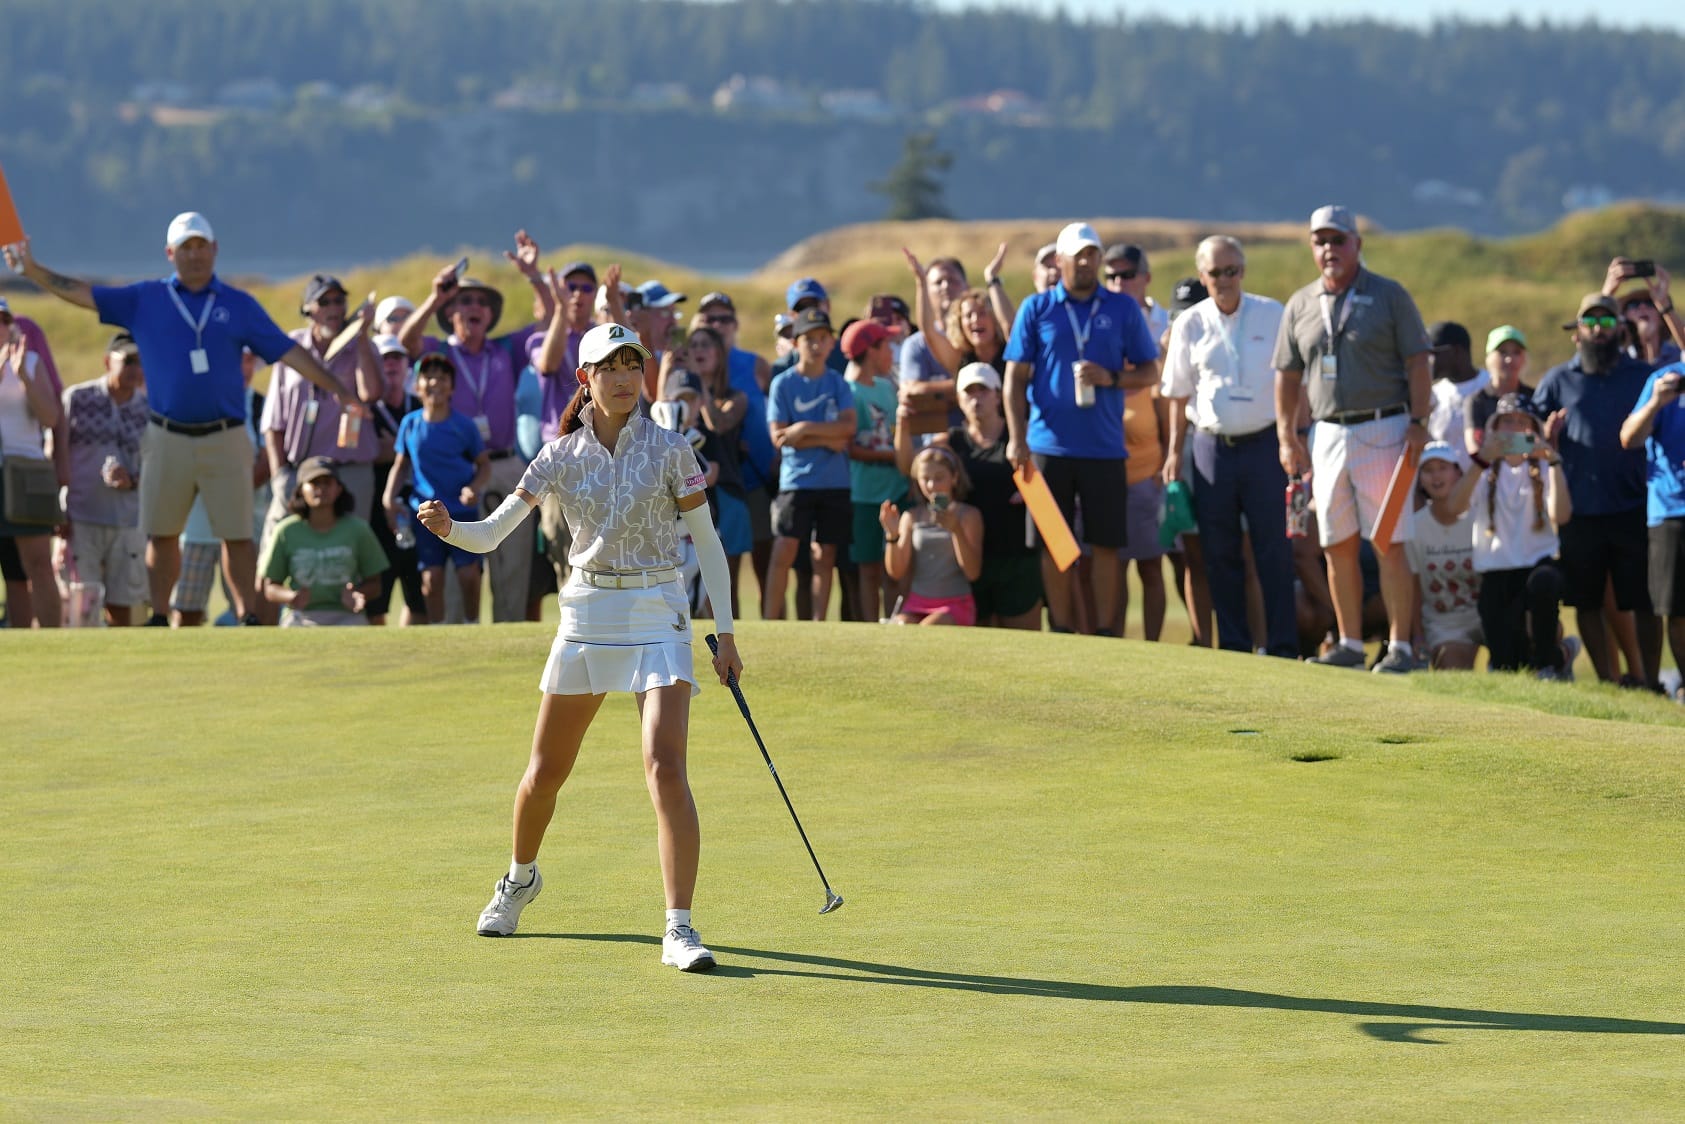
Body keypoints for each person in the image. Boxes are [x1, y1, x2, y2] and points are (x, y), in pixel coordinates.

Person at [432, 322, 740, 972]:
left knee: (665, 766)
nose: (625, 377)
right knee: (545, 772)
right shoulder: (557, 456)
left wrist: (729, 633)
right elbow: (490, 537)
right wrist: (448, 530)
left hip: (660, 608)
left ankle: (679, 928)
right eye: (610, 366)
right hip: (587, 610)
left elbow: (707, 545)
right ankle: (518, 880)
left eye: (634, 364)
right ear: (585, 378)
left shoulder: (670, 449)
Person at [5, 213, 359, 628]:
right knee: (163, 532)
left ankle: (247, 615)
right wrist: (31, 270)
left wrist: (338, 387)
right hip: (167, 433)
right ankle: (159, 614)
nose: (194, 255)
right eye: (185, 247)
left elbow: (288, 352)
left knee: (237, 534)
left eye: (200, 245)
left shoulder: (237, 304)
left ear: (214, 249)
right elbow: (84, 294)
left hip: (224, 435)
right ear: (170, 253)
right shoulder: (146, 298)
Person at [1273, 204, 1432, 673]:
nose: (1329, 250)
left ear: (1357, 245)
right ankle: (1348, 642)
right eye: (1321, 241)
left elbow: (1419, 361)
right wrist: (1288, 436)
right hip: (1326, 431)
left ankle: (1402, 647)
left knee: (1389, 540)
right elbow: (1286, 375)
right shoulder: (1300, 303)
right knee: (1335, 543)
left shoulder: (1388, 296)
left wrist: (1419, 423)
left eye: (1338, 240)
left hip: (1384, 427)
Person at [1003, 221, 1160, 636]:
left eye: (1093, 254)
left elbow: (1147, 371)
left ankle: (1107, 633)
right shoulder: (1036, 309)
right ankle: (1062, 629)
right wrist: (1017, 439)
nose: (1088, 262)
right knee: (1053, 544)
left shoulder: (1121, 308)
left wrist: (1112, 378)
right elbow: (1014, 379)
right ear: (1060, 260)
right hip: (1045, 445)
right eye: (1080, 255)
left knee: (1107, 545)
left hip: (1106, 448)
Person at [397, 234, 554, 623]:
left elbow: (548, 321)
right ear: (451, 312)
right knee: (454, 562)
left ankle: (508, 635)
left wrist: (534, 275)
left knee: (511, 561)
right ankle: (457, 636)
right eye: (465, 301)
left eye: (482, 302)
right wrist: (435, 295)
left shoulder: (505, 350)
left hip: (503, 463)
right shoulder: (442, 352)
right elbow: (406, 340)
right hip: (455, 469)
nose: (474, 307)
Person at [1161, 235, 1297, 658]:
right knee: (1218, 553)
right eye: (1216, 273)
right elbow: (1177, 392)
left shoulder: (1272, 313)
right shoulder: (1191, 322)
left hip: (1263, 446)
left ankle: (1281, 646)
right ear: (1203, 276)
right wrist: (1172, 452)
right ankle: (1234, 646)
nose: (1225, 279)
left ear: (1243, 270)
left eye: (1232, 270)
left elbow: (1292, 379)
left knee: (1272, 548)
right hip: (1210, 449)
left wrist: (1292, 437)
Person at [1534, 292, 1660, 687]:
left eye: (1607, 323)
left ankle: (1648, 680)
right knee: (1585, 601)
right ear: (1577, 333)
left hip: (1634, 506)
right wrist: (1545, 438)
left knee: (1643, 600)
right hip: (1581, 511)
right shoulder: (1557, 381)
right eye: (1591, 322)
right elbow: (1531, 434)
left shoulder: (1642, 375)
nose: (1599, 330)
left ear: (1620, 329)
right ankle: (1608, 679)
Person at [1445, 396, 1574, 677]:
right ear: (1495, 429)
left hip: (1538, 564)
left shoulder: (1543, 467)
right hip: (1497, 569)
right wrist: (1482, 460)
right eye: (1507, 423)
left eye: (1521, 423)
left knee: (1544, 583)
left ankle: (1548, 664)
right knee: (1507, 663)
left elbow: (1561, 515)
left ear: (1533, 429)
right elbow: (1454, 507)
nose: (1514, 430)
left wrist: (1553, 460)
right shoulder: (1482, 469)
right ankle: (1559, 653)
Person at [260, 274, 381, 552]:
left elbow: (371, 393)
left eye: (340, 300)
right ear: (308, 309)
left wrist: (362, 337)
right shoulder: (292, 348)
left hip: (350, 471)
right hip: (299, 472)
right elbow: (273, 421)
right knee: (281, 548)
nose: (334, 308)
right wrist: (279, 475)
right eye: (324, 301)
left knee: (349, 554)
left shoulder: (361, 347)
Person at [384, 353, 492, 624]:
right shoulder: (410, 424)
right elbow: (401, 464)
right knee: (431, 580)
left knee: (469, 575)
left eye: (443, 378)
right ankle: (437, 631)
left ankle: (472, 626)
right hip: (426, 515)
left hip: (462, 513)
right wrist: (388, 497)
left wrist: (473, 488)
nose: (436, 383)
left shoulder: (463, 425)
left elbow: (484, 466)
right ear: (417, 386)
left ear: (452, 387)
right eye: (428, 377)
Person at [763, 308, 856, 621]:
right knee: (785, 549)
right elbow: (778, 436)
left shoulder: (838, 383)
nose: (816, 345)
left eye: (822, 338)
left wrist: (802, 431)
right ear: (795, 342)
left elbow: (847, 429)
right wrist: (822, 437)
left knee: (825, 553)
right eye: (809, 339)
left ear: (831, 343)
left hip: (834, 482)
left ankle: (819, 623)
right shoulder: (783, 384)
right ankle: (770, 620)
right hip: (796, 481)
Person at [60, 331, 149, 625]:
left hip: (129, 522)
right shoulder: (77, 398)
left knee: (127, 608)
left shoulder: (150, 409)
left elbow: (155, 467)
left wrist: (132, 480)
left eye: (141, 361)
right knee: (81, 608)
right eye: (129, 361)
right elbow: (55, 454)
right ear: (107, 361)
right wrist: (57, 509)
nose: (136, 369)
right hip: (81, 517)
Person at [1619, 356, 1685, 702]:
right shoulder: (1663, 378)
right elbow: (1629, 437)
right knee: (1675, 610)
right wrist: (1658, 402)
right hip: (1670, 509)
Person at [259, 456, 389, 627]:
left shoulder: (358, 529)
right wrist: (291, 597)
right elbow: (270, 587)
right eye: (314, 483)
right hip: (301, 616)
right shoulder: (286, 531)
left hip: (347, 617)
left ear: (339, 488)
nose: (321, 488)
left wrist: (358, 594)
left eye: (327, 482)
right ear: (300, 491)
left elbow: (375, 583)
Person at [841, 319, 907, 620]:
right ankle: (871, 628)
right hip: (864, 494)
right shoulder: (847, 391)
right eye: (887, 345)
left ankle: (895, 622)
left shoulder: (885, 386)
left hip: (897, 490)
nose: (892, 352)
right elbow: (848, 446)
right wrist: (888, 456)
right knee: (868, 568)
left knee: (896, 567)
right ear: (871, 351)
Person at [0, 317, 63, 626]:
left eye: (2, 320)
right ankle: (17, 638)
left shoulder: (32, 362)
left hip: (25, 472)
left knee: (38, 563)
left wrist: (22, 375)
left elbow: (50, 417)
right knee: (11, 572)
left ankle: (51, 643)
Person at [881, 445, 983, 625]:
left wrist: (956, 530)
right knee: (901, 626)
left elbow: (972, 572)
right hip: (918, 603)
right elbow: (896, 572)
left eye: (939, 478)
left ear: (954, 477)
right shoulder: (912, 516)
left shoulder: (968, 515)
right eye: (925, 479)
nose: (931, 485)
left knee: (929, 627)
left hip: (954, 604)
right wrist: (892, 534)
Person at [1405, 442, 1482, 670]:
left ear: (1458, 472)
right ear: (1419, 479)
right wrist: (1418, 636)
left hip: (1486, 615)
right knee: (1452, 669)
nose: (1436, 476)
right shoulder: (1414, 527)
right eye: (1428, 470)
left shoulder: (1480, 518)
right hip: (1443, 624)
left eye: (1443, 467)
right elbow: (1414, 588)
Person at [367, 334, 425, 625]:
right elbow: (362, 451)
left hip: (417, 504)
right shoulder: (365, 408)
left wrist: (392, 449)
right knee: (377, 595)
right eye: (383, 358)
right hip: (376, 509)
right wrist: (399, 451)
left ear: (407, 365)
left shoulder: (421, 406)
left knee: (418, 593)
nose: (390, 364)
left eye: (396, 358)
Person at [1424, 321, 1489, 467]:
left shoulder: (1490, 387)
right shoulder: (1434, 395)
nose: (1428, 361)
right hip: (1448, 488)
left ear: (1456, 351)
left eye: (1433, 353)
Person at [1602, 256, 1684, 368]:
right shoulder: (1617, 359)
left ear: (1662, 319)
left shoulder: (1677, 356)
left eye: (1650, 303)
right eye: (1634, 304)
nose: (1642, 307)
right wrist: (1607, 293)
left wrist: (1664, 305)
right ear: (1624, 317)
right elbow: (1592, 347)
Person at [1465, 326, 1531, 457]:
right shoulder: (1477, 400)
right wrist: (1527, 443)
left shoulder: (1533, 397)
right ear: (1489, 357)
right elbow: (1474, 447)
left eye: (1516, 352)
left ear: (1524, 358)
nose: (1509, 359)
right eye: (1502, 352)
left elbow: (1544, 447)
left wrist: (1494, 443)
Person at [770, 279, 846, 378]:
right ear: (791, 315)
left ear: (827, 305)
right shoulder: (782, 367)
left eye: (813, 304)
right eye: (800, 308)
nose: (809, 313)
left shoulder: (850, 354)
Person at [1102, 244, 1170, 342]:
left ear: (1147, 278)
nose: (1118, 282)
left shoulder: (1168, 323)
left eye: (1127, 275)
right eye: (1111, 276)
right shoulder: (1098, 325)